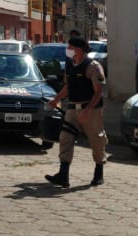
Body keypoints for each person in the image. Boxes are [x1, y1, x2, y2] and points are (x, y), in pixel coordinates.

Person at [45, 36, 108, 188]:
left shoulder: (93, 66)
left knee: (96, 140)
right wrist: (56, 100)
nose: (68, 50)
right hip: (73, 108)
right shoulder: (71, 65)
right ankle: (63, 175)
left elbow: (98, 91)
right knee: (65, 137)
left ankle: (99, 172)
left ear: (79, 49)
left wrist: (87, 110)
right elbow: (68, 87)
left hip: (91, 110)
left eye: (71, 47)